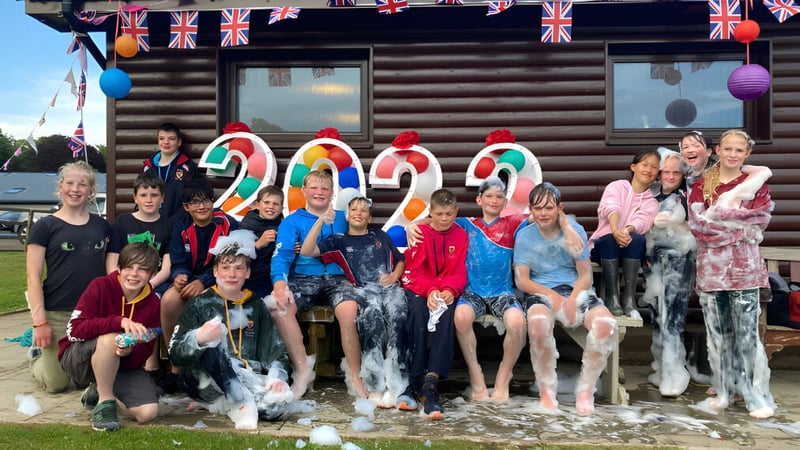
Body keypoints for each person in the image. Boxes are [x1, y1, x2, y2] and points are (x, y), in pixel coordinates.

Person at [688, 129, 776, 419]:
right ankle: (724, 390)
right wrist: (736, 228)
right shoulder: (702, 184)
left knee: (747, 335)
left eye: (740, 150)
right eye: (728, 149)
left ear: (747, 154)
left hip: (743, 271)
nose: (733, 154)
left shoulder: (754, 185)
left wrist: (722, 220)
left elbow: (759, 221)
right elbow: (699, 228)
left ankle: (754, 394)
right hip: (711, 272)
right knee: (718, 336)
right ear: (717, 150)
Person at [169, 230, 293, 430]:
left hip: (248, 377)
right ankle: (240, 401)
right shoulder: (200, 303)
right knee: (213, 339)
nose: (232, 274)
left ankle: (235, 401)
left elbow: (275, 349)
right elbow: (175, 354)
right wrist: (198, 338)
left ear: (248, 272)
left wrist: (276, 377)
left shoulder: (257, 305)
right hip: (204, 380)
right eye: (225, 268)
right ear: (216, 272)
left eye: (238, 268)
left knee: (274, 410)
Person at [514, 182, 618, 416]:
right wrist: (554, 298)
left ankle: (585, 391)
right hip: (540, 290)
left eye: (549, 208)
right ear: (530, 209)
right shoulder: (525, 236)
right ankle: (547, 392)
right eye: (537, 208)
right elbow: (522, 281)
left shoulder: (575, 231)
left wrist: (571, 300)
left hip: (574, 289)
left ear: (560, 208)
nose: (543, 213)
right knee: (539, 325)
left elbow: (585, 276)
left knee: (605, 326)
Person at [301, 195, 407, 408]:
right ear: (347, 215)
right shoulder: (339, 240)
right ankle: (375, 384)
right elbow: (307, 250)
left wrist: (394, 276)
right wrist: (321, 220)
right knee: (373, 319)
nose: (359, 213)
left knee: (398, 319)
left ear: (369, 217)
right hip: (363, 293)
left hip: (390, 290)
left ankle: (398, 383)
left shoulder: (380, 235)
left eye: (364, 210)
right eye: (354, 210)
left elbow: (400, 260)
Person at [26, 160, 111, 393]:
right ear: (60, 187)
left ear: (91, 191)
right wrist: (39, 322)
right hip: (56, 311)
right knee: (57, 385)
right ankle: (36, 359)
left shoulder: (101, 226)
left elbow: (110, 270)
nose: (75, 189)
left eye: (82, 184)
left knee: (85, 381)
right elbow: (33, 277)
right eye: (70, 183)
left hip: (91, 313)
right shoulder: (45, 226)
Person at [58, 242, 161, 431]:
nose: (134, 274)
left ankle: (101, 389)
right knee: (111, 338)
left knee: (148, 413)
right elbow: (74, 330)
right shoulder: (100, 286)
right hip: (79, 358)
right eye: (129, 267)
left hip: (122, 365)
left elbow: (147, 347)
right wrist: (117, 322)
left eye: (143, 269)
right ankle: (105, 403)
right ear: (119, 268)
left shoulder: (153, 302)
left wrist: (129, 352)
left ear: (152, 274)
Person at [270, 170, 349, 399]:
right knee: (280, 307)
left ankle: (355, 373)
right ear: (304, 191)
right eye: (313, 188)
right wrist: (279, 284)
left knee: (351, 308)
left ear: (332, 193)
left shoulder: (345, 217)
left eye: (325, 188)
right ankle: (303, 369)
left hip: (338, 280)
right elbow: (281, 255)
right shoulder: (292, 221)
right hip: (303, 278)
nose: (319, 193)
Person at [160, 179, 239, 389]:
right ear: (186, 207)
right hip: (191, 281)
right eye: (195, 202)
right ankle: (176, 364)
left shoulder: (228, 225)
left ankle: (203, 370)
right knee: (169, 301)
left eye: (206, 200)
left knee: (203, 301)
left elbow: (231, 261)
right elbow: (177, 261)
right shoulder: (181, 226)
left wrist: (202, 281)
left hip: (221, 280)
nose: (202, 206)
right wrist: (180, 276)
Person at [400, 188, 468, 420]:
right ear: (431, 212)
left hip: (444, 290)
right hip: (418, 287)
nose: (444, 219)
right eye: (439, 214)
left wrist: (449, 290)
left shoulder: (461, 235)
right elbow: (416, 269)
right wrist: (431, 290)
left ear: (456, 212)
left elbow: (460, 269)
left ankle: (431, 381)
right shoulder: (421, 232)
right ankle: (413, 378)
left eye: (449, 214)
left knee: (448, 313)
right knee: (418, 311)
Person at [643, 149, 695, 397]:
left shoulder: (686, 196)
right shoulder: (650, 194)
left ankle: (676, 373)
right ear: (660, 173)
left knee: (673, 315)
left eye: (677, 172)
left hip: (679, 261)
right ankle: (660, 369)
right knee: (657, 314)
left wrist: (674, 222)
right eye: (667, 171)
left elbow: (697, 224)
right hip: (653, 261)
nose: (672, 176)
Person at [589, 149, 660, 317]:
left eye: (654, 167)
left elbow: (643, 221)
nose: (648, 170)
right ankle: (612, 298)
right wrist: (615, 230)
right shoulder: (617, 186)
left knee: (637, 240)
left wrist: (626, 231)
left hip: (630, 247)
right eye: (644, 164)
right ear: (633, 167)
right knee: (608, 240)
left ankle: (628, 299)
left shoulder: (652, 202)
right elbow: (611, 207)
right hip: (604, 248)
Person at [106, 174, 172, 295]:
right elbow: (112, 260)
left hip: (155, 285)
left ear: (162, 198)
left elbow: (167, 267)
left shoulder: (169, 225)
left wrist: (149, 285)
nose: (149, 200)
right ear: (135, 198)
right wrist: (120, 283)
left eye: (154, 195)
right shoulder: (122, 222)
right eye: (143, 195)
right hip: (124, 282)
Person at [141, 122, 198, 221]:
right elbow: (140, 195)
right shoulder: (148, 167)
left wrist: (173, 222)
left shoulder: (187, 166)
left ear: (179, 142)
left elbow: (191, 198)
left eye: (171, 139)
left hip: (178, 224)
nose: (166, 142)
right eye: (162, 138)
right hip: (150, 222)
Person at [240, 186, 284, 299]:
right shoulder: (248, 224)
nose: (271, 206)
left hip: (271, 276)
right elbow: (238, 254)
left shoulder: (282, 225)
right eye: (267, 202)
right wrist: (258, 244)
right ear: (257, 205)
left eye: (276, 204)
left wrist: (292, 248)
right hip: (249, 277)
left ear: (281, 208)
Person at [679, 130, 715, 195]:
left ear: (708, 152)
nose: (690, 150)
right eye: (685, 147)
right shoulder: (685, 176)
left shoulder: (719, 175)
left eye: (696, 146)